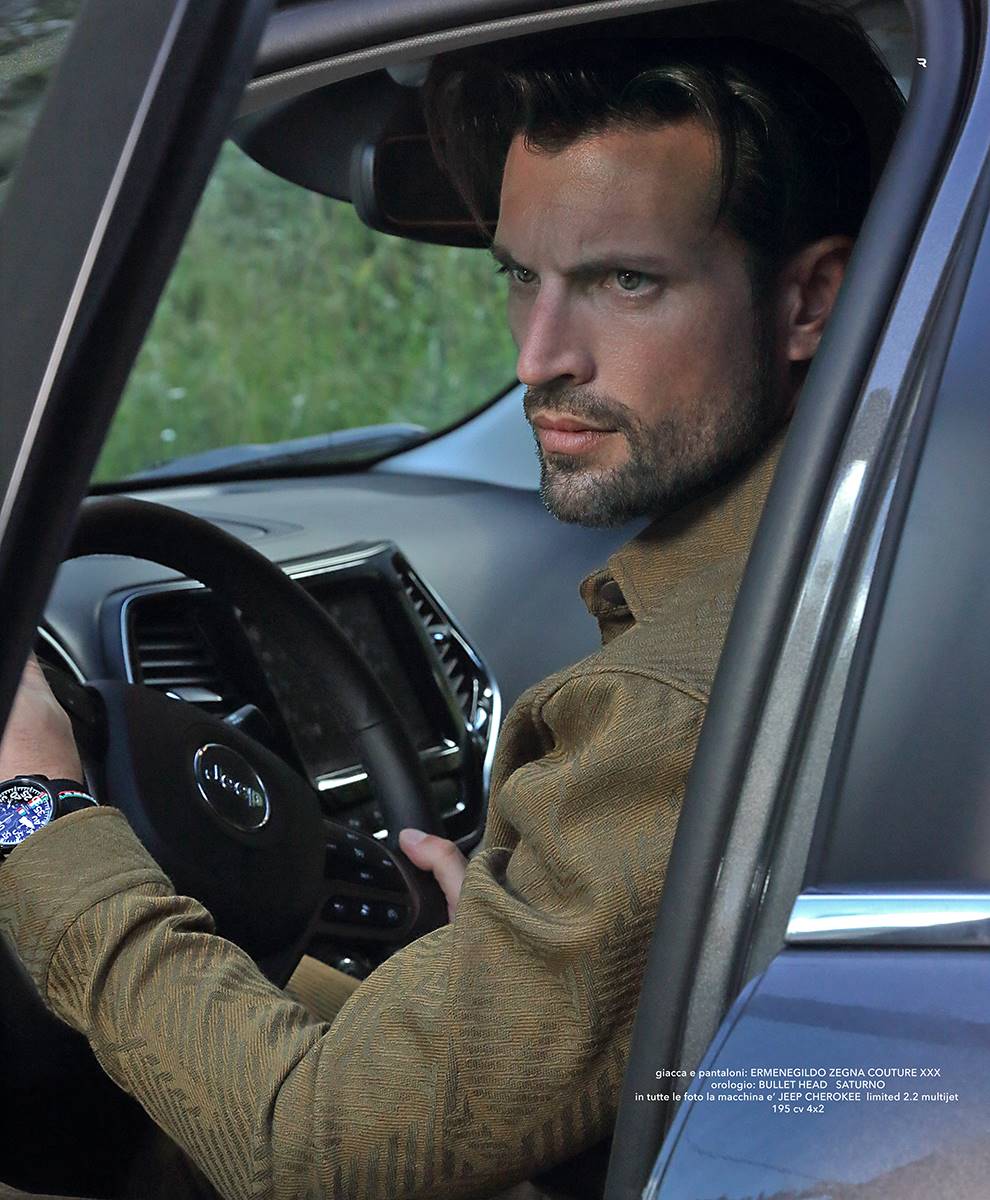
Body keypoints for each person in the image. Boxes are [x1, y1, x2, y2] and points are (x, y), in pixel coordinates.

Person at [0, 7, 902, 1200]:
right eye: (521, 276)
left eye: (626, 281)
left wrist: (39, 810)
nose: (538, 357)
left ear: (809, 300)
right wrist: (513, 958)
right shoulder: (859, 549)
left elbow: (305, 1154)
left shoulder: (674, 702)